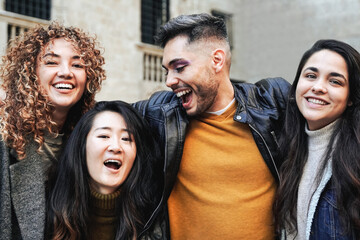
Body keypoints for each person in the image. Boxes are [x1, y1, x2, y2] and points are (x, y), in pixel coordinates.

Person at [133, 13, 291, 239]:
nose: (168, 81)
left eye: (179, 67)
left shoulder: (273, 106)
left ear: (216, 60)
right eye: (166, 70)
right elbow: (96, 121)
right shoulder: (159, 114)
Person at [0, 22, 106, 239]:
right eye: (51, 62)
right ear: (29, 72)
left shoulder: (90, 138)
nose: (66, 72)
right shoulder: (4, 138)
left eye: (77, 65)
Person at [274, 39, 360, 239]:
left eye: (335, 81)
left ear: (352, 98)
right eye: (311, 76)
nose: (318, 87)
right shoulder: (285, 148)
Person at [46, 101, 162, 240]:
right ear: (82, 146)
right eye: (104, 136)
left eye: (126, 138)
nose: (116, 147)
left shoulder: (154, 219)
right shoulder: (46, 210)